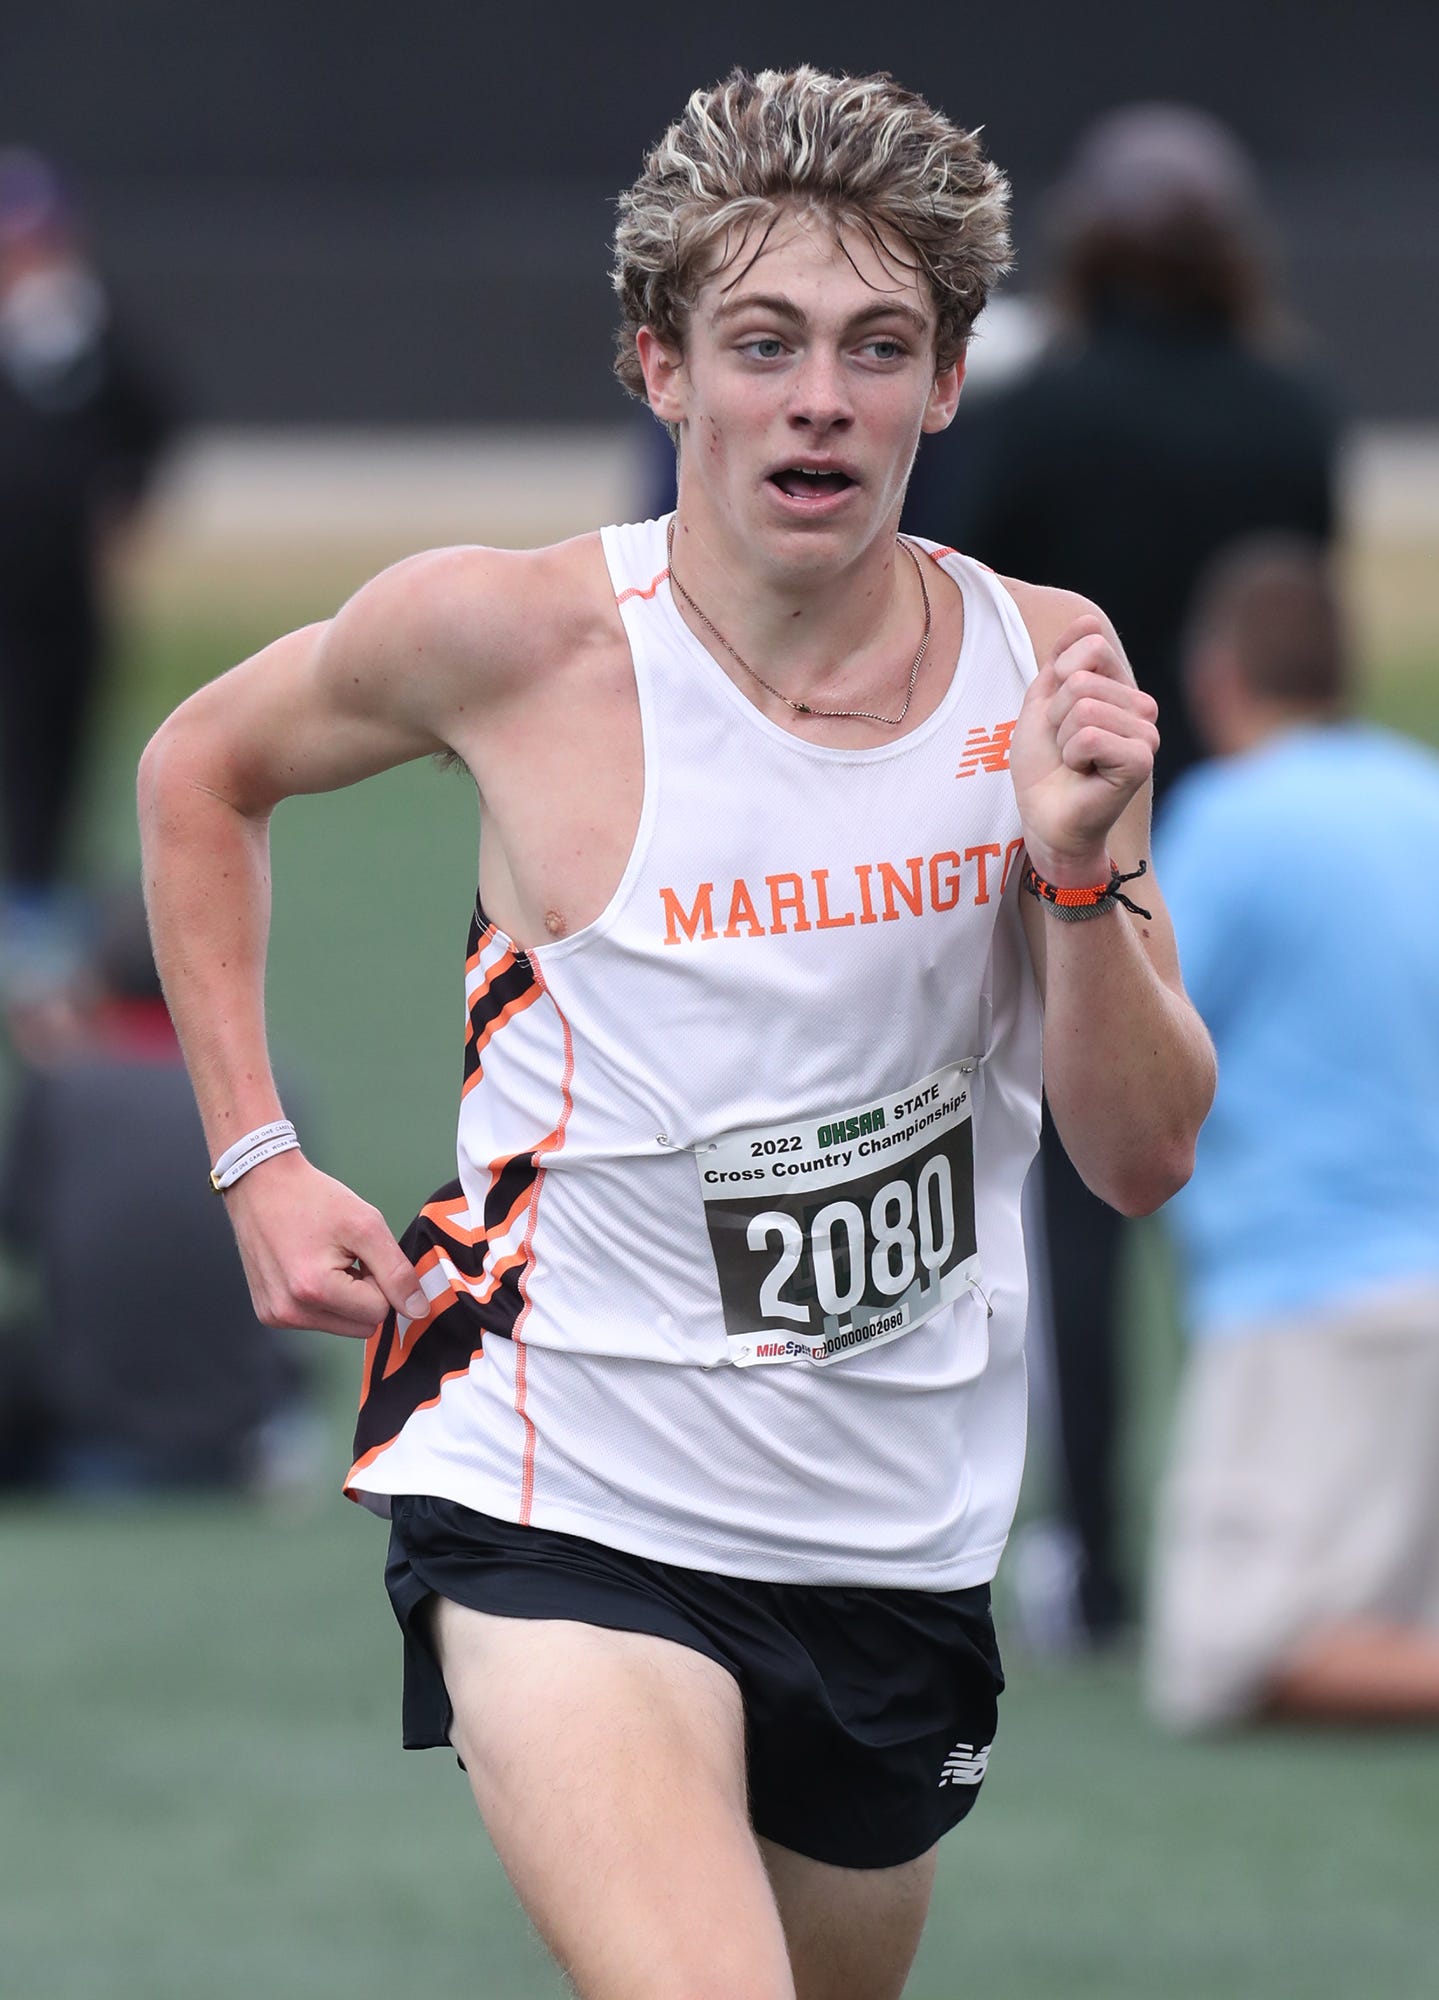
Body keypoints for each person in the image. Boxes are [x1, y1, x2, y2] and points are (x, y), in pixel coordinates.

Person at [138, 68, 1214, 2000]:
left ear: (942, 388)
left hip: (891, 1543)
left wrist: (1071, 876)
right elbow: (198, 768)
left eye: (876, 348)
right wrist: (255, 1155)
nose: (819, 397)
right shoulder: (515, 639)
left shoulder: (1044, 668)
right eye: (762, 344)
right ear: (660, 369)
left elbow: (1137, 1153)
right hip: (562, 1488)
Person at [906, 105, 1340, 1645]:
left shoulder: (1041, 408)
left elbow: (947, 601)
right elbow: (1305, 622)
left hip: (1084, 838)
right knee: (1269, 1178)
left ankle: (1091, 1556)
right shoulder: (1291, 412)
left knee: (1085, 1200)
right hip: (1260, 833)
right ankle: (1296, 1523)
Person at [1145, 537, 1439, 1733]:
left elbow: (1132, 1034)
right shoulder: (1422, 794)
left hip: (1308, 1297)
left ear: (1215, 677)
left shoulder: (1223, 823)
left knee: (1219, 1661)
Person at [0, 888, 315, 1493]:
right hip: (235, 1431)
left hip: (86, 1430)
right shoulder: (273, 1092)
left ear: (95, 982)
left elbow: (19, 1227)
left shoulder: (63, 1088)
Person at [0, 149, 178, 998]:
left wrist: (124, 506)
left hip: (66, 587)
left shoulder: (82, 328)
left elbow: (156, 421)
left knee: (65, 737)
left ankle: (45, 907)